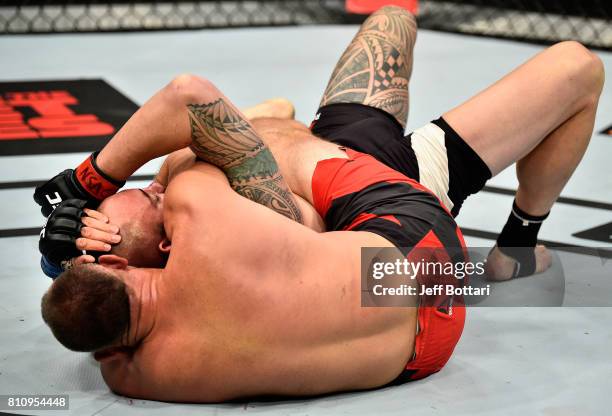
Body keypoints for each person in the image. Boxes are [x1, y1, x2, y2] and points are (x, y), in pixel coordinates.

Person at [36, 5, 603, 401]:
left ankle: (284, 124)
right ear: (160, 246)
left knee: (391, 21)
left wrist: (59, 262)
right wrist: (90, 185)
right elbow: (189, 102)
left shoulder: (136, 374)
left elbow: (91, 317)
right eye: (148, 199)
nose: (155, 189)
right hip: (413, 245)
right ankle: (519, 244)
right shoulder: (205, 222)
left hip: (429, 330)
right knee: (580, 65)